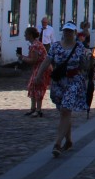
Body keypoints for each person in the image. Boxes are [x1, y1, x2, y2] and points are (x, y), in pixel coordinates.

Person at [36, 22, 90, 157]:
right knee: (64, 112)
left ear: (75, 33)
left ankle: (57, 144)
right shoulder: (55, 46)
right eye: (66, 31)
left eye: (70, 31)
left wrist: (89, 61)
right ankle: (69, 141)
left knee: (66, 110)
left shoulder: (79, 46)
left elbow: (84, 65)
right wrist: (38, 75)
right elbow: (47, 61)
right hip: (59, 82)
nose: (67, 33)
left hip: (74, 81)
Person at [22, 26, 50, 117]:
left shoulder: (35, 46)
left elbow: (33, 60)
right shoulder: (36, 44)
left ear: (30, 35)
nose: (24, 35)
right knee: (32, 86)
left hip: (41, 68)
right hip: (39, 67)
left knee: (37, 87)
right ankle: (33, 108)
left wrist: (22, 58)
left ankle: (38, 110)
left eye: (26, 34)